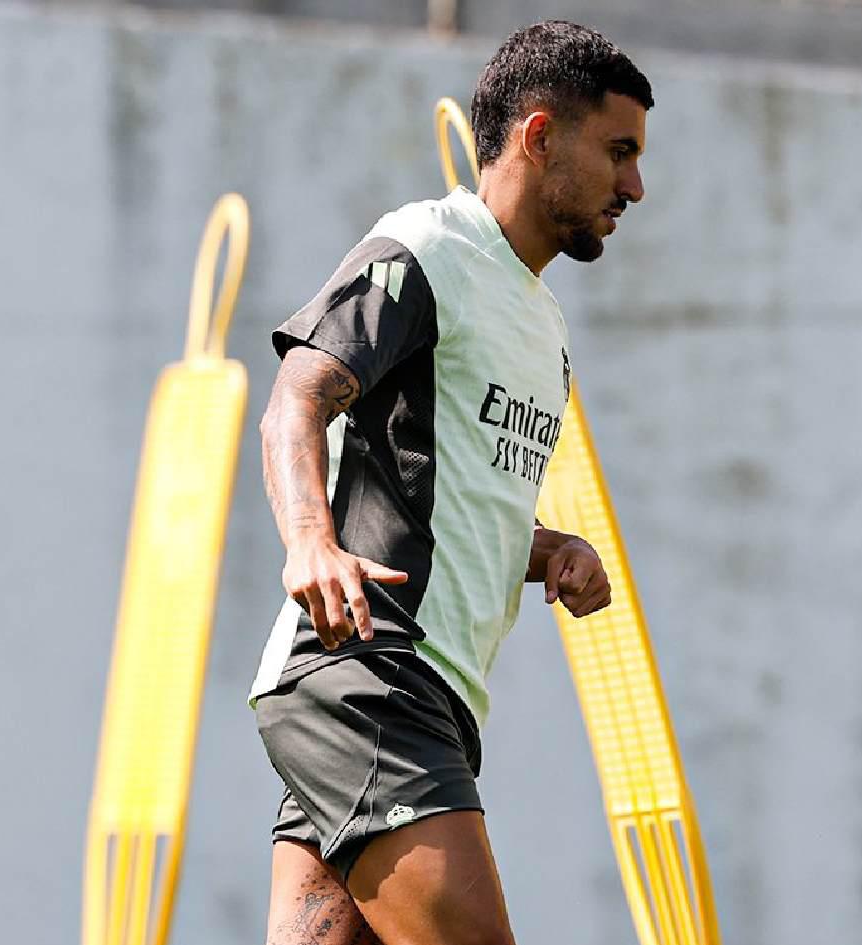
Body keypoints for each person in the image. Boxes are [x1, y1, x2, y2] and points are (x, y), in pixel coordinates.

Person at [250, 19, 653, 945]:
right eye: (619, 151)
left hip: (433, 699)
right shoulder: (426, 247)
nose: (635, 186)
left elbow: (453, 498)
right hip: (371, 675)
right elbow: (295, 399)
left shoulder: (545, 329)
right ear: (539, 135)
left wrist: (551, 549)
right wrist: (309, 542)